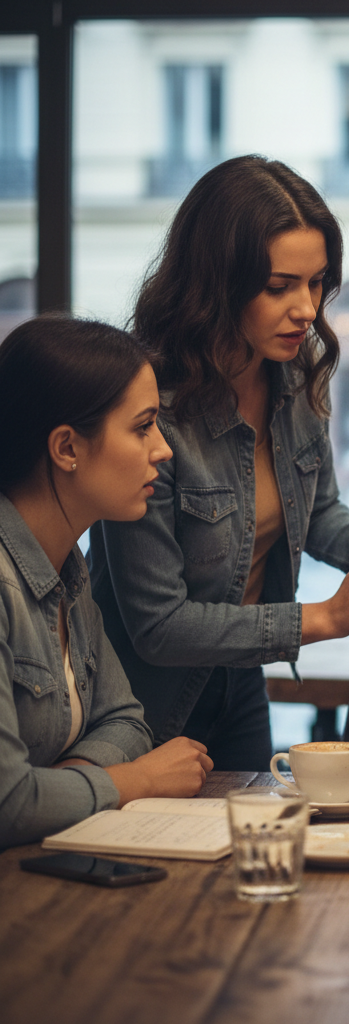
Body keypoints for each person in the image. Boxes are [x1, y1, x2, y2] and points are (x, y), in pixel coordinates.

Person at [88, 156, 349, 771]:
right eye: (279, 287)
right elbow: (158, 626)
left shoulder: (293, 376)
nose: (307, 310)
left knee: (250, 850)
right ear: (215, 283)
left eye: (317, 283)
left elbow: (319, 515)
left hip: (239, 680)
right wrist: (324, 617)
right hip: (140, 703)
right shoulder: (151, 410)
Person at [0, 316, 213, 848]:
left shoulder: (69, 567)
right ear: (67, 448)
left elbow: (125, 718)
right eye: (143, 427)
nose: (163, 450)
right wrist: (132, 780)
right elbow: (7, 805)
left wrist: (65, 786)